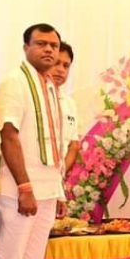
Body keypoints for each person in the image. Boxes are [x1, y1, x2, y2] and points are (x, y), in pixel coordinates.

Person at [0, 24, 64, 259]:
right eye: (41, 44)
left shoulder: (49, 87)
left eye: (54, 45)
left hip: (47, 188)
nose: (49, 50)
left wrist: (57, 191)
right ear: (25, 47)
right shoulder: (15, 82)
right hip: (21, 188)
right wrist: (24, 186)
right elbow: (9, 135)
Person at [48, 42, 81, 175]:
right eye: (56, 63)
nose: (61, 70)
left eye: (66, 66)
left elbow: (73, 146)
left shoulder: (70, 103)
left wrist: (59, 175)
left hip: (56, 178)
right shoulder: (31, 95)